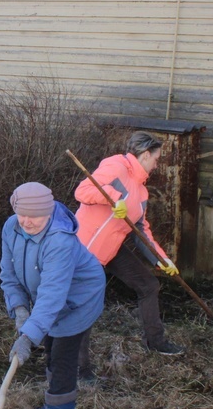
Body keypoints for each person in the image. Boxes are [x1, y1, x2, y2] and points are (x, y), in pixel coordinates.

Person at [1, 182, 106, 409]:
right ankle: (53, 405)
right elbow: (9, 275)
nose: (27, 221)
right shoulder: (11, 227)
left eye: (35, 216)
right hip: (49, 298)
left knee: (61, 359)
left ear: (48, 213)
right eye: (22, 214)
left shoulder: (60, 240)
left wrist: (26, 338)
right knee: (50, 346)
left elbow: (52, 297)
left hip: (79, 299)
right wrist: (20, 309)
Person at [74, 131, 185, 356]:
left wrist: (161, 259)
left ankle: (155, 341)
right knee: (82, 303)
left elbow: (141, 231)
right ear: (145, 155)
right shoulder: (117, 165)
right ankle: (79, 368)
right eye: (156, 159)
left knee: (149, 285)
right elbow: (83, 190)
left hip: (112, 248)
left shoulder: (142, 192)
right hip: (84, 249)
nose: (156, 165)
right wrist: (113, 197)